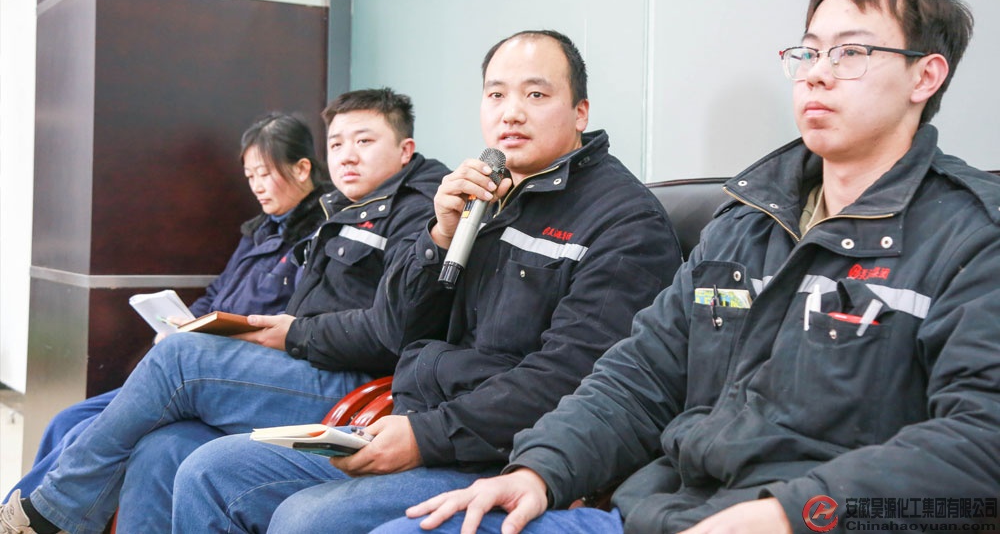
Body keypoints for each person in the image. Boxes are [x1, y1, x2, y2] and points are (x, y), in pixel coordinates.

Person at [378, 0, 1000, 534]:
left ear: (925, 75)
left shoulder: (973, 238)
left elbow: (980, 446)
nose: (816, 72)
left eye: (851, 53)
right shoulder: (746, 223)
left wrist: (788, 515)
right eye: (809, 51)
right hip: (660, 510)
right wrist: (539, 469)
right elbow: (641, 373)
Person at [169, 29, 684, 534]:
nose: (511, 113)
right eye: (496, 95)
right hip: (408, 418)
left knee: (306, 519)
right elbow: (396, 329)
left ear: (580, 112)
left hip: (498, 453)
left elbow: (573, 378)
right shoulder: (481, 196)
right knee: (209, 471)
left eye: (535, 95)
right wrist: (438, 236)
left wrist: (425, 435)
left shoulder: (624, 222)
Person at [0, 88, 450, 534]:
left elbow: (393, 330)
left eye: (364, 141)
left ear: (405, 149)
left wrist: (293, 334)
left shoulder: (421, 213)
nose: (347, 155)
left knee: (178, 359)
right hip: (304, 363)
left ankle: (50, 513)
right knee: (160, 448)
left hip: (355, 385)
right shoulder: (344, 209)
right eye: (336, 144)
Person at [2, 111, 332, 504]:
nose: (257, 186)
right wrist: (185, 322)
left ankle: (39, 516)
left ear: (302, 168)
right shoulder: (261, 228)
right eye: (250, 176)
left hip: (237, 367)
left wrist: (211, 336)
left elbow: (294, 323)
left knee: (87, 433)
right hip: (202, 352)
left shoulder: (322, 233)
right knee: (67, 419)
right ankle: (21, 513)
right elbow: (218, 291)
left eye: (265, 173)